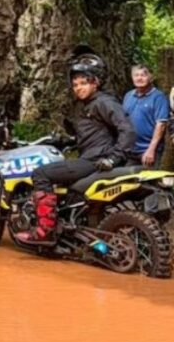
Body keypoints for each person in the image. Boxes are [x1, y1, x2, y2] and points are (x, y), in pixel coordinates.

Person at [15, 47, 135, 245]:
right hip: (94, 156)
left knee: (40, 174)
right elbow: (96, 133)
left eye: (83, 83)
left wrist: (114, 157)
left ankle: (45, 230)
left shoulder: (103, 102)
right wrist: (69, 141)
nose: (78, 87)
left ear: (95, 82)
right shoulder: (89, 105)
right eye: (75, 84)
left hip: (95, 160)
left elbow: (127, 130)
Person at [122, 64, 168, 167]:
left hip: (149, 150)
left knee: (148, 181)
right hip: (130, 150)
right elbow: (123, 120)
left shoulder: (159, 97)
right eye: (136, 75)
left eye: (143, 75)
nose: (139, 78)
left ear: (151, 77)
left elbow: (161, 125)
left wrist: (151, 149)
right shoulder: (128, 96)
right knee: (127, 180)